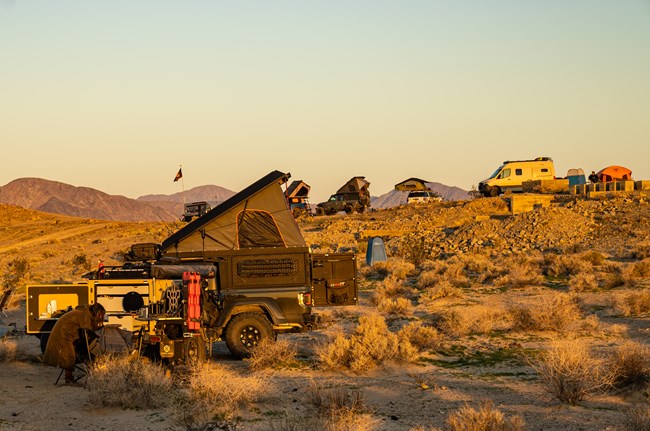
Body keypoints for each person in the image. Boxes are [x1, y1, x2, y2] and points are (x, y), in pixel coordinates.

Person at [42, 303, 105, 386]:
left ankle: (74, 375)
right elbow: (87, 333)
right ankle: (69, 379)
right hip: (63, 336)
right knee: (69, 355)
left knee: (78, 350)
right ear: (97, 314)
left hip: (66, 334)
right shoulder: (84, 315)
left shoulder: (84, 313)